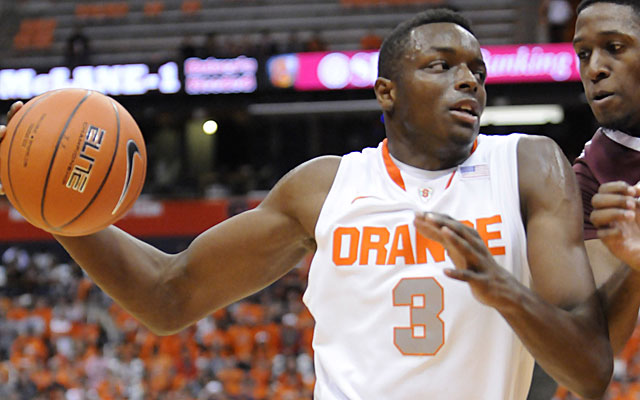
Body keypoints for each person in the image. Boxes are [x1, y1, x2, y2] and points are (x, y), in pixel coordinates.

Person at [0, 9, 613, 399]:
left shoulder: (528, 165)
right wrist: (52, 207)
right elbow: (169, 294)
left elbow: (589, 371)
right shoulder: (324, 188)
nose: (469, 80)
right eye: (442, 64)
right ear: (387, 92)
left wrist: (503, 290)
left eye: (478, 70)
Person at [528, 1, 640, 399]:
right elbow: (595, 357)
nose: (595, 68)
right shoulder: (592, 176)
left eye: (615, 46)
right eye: (584, 54)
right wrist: (636, 264)